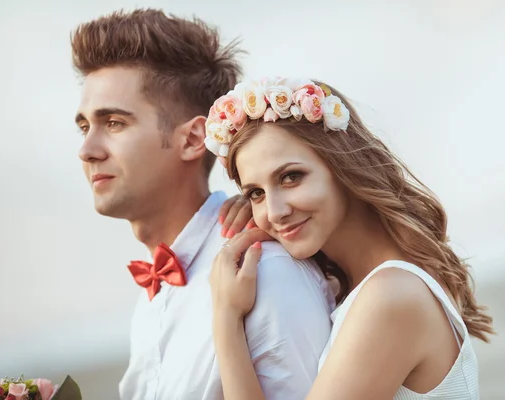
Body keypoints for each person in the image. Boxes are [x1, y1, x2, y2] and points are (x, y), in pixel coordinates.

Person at [70, 11, 335, 400]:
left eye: (113, 123)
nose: (87, 150)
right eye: (84, 127)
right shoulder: (149, 306)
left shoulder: (266, 273)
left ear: (194, 139)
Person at [206, 77, 494, 399]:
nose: (274, 212)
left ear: (343, 166)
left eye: (291, 177)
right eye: (256, 193)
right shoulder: (370, 286)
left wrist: (226, 318)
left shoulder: (390, 296)